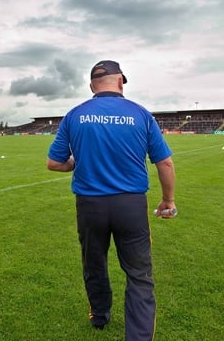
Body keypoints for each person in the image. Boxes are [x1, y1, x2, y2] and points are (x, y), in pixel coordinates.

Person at [47, 60, 176, 341]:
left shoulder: (75, 115)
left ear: (92, 86)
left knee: (94, 263)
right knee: (139, 273)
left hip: (90, 205)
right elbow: (164, 163)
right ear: (120, 82)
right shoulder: (140, 114)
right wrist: (168, 200)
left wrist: (76, 163)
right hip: (130, 205)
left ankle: (100, 315)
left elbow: (54, 163)